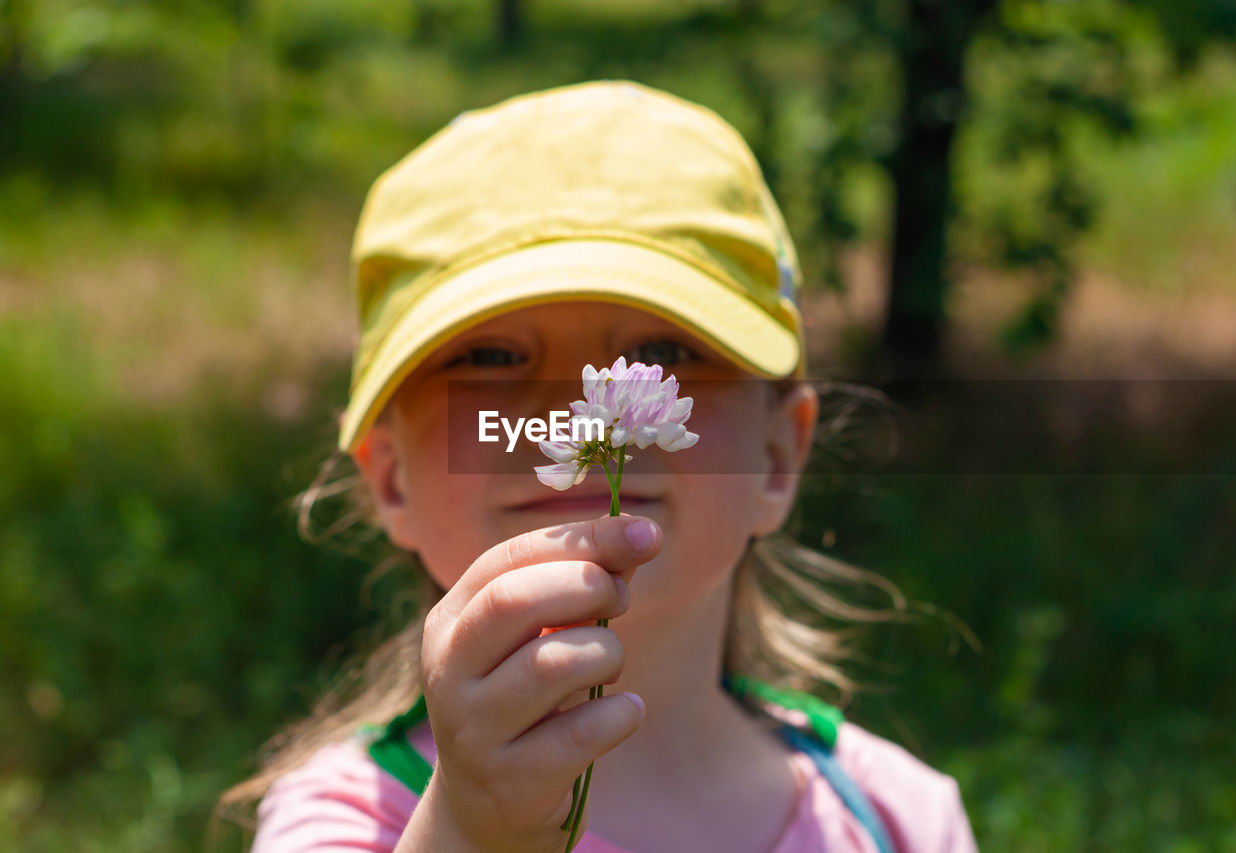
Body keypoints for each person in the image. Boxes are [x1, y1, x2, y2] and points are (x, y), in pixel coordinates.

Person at [215, 79, 979, 853]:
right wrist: (470, 831)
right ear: (390, 475)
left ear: (777, 458)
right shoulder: (346, 816)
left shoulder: (897, 817)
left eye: (662, 352)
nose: (584, 406)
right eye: (491, 355)